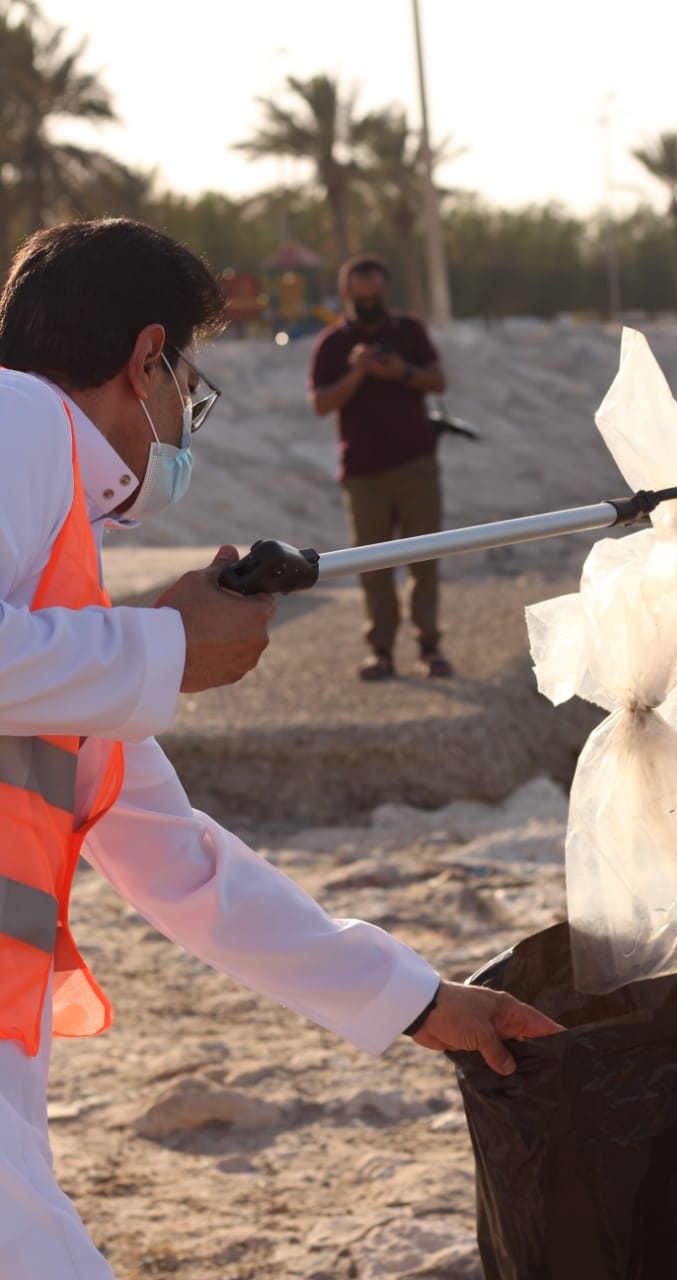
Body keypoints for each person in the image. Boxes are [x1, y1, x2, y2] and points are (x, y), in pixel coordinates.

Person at [0, 218, 560, 1278]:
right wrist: (166, 646)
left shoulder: (60, 566)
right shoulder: (18, 419)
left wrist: (421, 1000)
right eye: (189, 389)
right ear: (146, 359)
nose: (183, 422)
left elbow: (179, 861)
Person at [308, 254, 453, 681]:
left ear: (386, 292)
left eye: (375, 297)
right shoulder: (332, 344)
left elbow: (439, 380)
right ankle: (381, 651)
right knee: (373, 565)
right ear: (346, 295)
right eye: (361, 298)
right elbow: (320, 403)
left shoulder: (409, 331)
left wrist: (400, 371)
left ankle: (430, 646)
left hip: (416, 466)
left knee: (425, 559)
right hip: (362, 473)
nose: (369, 305)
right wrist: (356, 374)